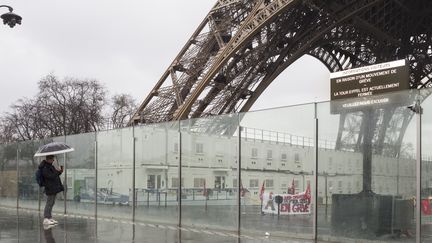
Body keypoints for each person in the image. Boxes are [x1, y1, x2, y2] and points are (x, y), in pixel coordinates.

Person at [39, 155, 64, 225]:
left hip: (53, 187)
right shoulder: (44, 167)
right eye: (52, 160)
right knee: (49, 203)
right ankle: (46, 218)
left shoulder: (50, 166)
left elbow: (55, 174)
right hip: (50, 187)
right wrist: (56, 172)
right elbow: (50, 176)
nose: (53, 161)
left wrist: (60, 171)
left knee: (52, 202)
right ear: (48, 159)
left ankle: (49, 217)